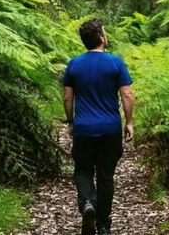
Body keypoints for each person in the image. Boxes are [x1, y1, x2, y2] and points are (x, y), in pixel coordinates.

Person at [62, 18, 135, 235]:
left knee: (83, 170)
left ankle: (87, 204)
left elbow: (67, 98)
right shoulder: (116, 62)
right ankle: (103, 225)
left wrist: (71, 121)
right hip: (110, 130)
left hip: (84, 129)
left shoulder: (74, 64)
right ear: (102, 37)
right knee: (105, 176)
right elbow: (127, 94)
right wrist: (129, 123)